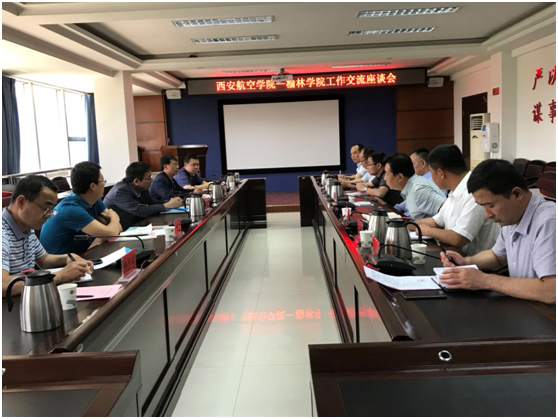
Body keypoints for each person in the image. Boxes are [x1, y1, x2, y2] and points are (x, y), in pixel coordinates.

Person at [439, 159, 555, 304]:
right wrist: (466, 261)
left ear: (517, 194)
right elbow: (497, 256)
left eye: (491, 205)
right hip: (524, 306)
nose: (487, 214)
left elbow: (552, 291)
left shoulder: (548, 222)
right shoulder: (512, 217)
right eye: (482, 206)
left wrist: (485, 280)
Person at [3, 176, 94, 297]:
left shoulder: (26, 227)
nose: (48, 216)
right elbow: (2, 284)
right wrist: (58, 277)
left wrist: (69, 258)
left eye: (51, 211)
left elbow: (44, 260)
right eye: (46, 209)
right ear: (21, 202)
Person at [416, 145, 500, 255]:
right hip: (458, 256)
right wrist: (411, 224)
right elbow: (437, 221)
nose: (431, 178)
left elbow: (458, 238)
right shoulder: (455, 190)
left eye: (432, 174)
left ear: (441, 173)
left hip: (477, 261)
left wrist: (427, 231)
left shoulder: (473, 191)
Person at [40, 162, 121, 254]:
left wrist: (109, 229)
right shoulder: (70, 209)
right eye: (103, 181)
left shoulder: (93, 200)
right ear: (92, 186)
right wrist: (114, 217)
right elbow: (112, 233)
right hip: (61, 260)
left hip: (79, 254)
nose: (104, 184)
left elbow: (117, 229)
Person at [104, 162, 183, 230]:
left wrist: (173, 202)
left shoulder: (142, 188)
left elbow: (153, 202)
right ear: (136, 181)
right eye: (149, 178)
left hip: (138, 225)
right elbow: (140, 210)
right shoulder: (120, 191)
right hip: (120, 231)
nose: (151, 181)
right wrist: (166, 205)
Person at [383, 153, 446, 220]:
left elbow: (448, 207)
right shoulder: (410, 186)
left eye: (386, 174)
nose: (385, 178)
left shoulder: (419, 190)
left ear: (400, 177)